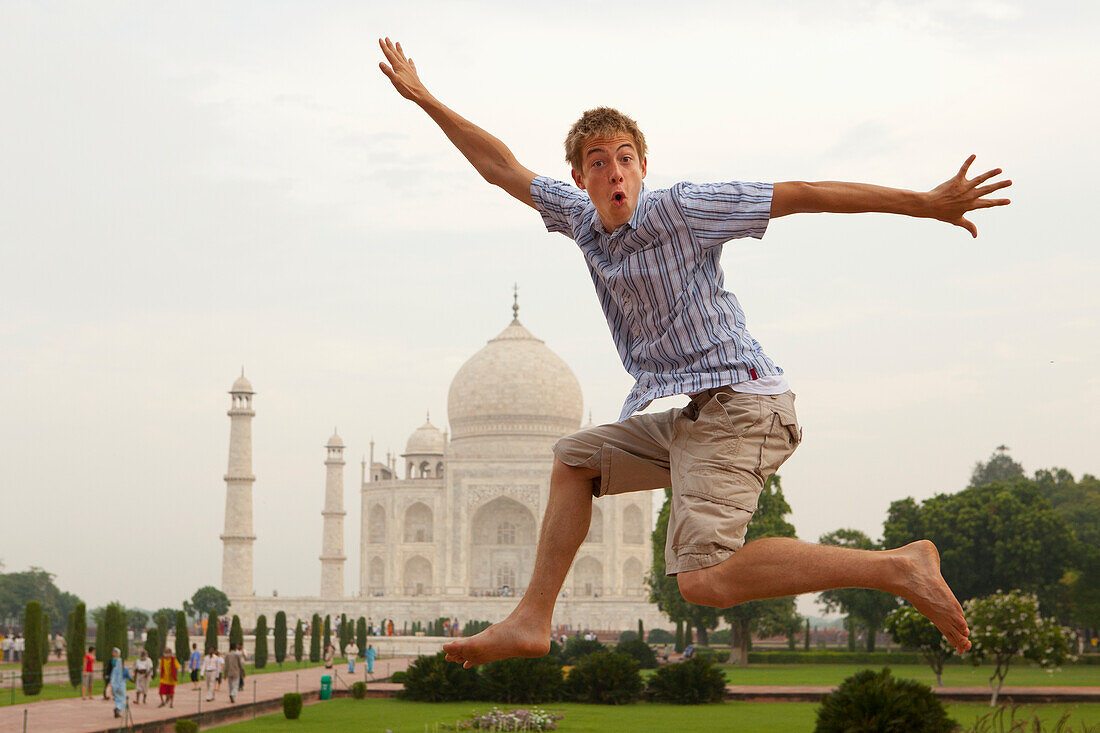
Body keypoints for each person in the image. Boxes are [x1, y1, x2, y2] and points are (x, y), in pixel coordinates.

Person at [378, 38, 1010, 668]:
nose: (614, 171)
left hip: (746, 402)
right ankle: (530, 621)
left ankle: (898, 566)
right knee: (573, 460)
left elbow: (802, 191)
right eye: (598, 162)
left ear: (643, 166)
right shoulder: (579, 218)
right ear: (580, 178)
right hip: (698, 416)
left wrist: (925, 205)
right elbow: (501, 167)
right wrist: (425, 95)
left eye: (625, 158)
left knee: (704, 580)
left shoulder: (683, 209)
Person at [108, 647, 130, 718]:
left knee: (117, 699)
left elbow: (111, 677)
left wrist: (110, 684)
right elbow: (129, 677)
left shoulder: (114, 669)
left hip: (115, 687)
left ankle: (117, 710)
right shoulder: (125, 669)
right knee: (122, 699)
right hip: (121, 686)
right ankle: (118, 709)